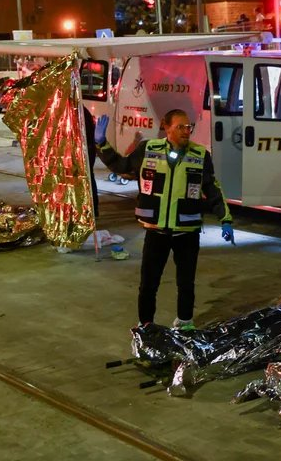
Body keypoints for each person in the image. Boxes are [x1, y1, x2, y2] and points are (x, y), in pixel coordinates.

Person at [94, 109, 235, 331]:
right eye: (180, 127)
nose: (186, 131)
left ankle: (185, 324)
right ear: (166, 128)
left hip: (186, 232)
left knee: (186, 284)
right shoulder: (148, 149)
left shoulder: (200, 155)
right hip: (156, 231)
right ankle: (146, 326)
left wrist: (225, 218)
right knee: (148, 285)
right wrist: (102, 144)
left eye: (188, 127)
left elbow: (212, 188)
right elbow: (121, 167)